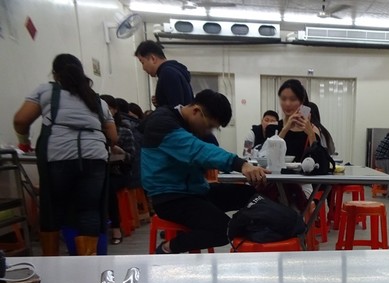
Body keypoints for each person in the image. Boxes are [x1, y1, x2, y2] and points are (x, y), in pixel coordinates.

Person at [13, 53, 117, 256]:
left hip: (58, 157)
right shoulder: (96, 100)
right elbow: (113, 136)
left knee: (53, 209)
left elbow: (20, 120)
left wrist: (23, 142)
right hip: (94, 158)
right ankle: (88, 262)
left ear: (55, 73)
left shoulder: (46, 91)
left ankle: (52, 263)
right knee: (89, 210)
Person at [141, 89, 268, 254]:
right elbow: (198, 150)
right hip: (170, 198)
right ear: (196, 111)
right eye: (209, 127)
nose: (208, 132)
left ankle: (264, 239)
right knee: (224, 230)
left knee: (251, 196)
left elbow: (208, 150)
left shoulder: (187, 124)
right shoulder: (162, 123)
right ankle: (167, 248)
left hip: (195, 191)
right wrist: (240, 164)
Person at [101, 94, 136, 245]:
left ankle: (116, 228)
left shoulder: (124, 131)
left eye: (108, 108)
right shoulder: (95, 130)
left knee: (107, 187)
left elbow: (132, 158)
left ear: (115, 110)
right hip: (100, 171)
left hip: (120, 172)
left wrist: (120, 151)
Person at [134, 40, 193, 109]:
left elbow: (175, 109)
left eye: (142, 62)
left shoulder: (167, 73)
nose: (143, 68)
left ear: (153, 59)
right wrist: (160, 101)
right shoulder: (175, 70)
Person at [277, 79, 320, 162]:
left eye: (293, 99)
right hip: (278, 170)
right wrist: (285, 129)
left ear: (301, 101)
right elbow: (269, 156)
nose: (287, 104)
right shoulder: (273, 127)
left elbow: (318, 159)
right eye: (283, 99)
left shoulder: (312, 129)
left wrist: (311, 134)